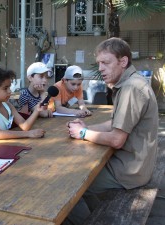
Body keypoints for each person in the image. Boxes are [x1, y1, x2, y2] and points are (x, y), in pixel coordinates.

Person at [66, 37, 159, 225]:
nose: (100, 68)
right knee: (83, 174)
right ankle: (96, 216)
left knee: (68, 188)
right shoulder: (131, 82)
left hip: (131, 170)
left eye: (105, 62)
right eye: (99, 63)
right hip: (135, 163)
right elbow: (114, 123)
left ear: (123, 62)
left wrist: (83, 134)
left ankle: (93, 220)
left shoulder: (131, 88)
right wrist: (85, 128)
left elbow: (116, 140)